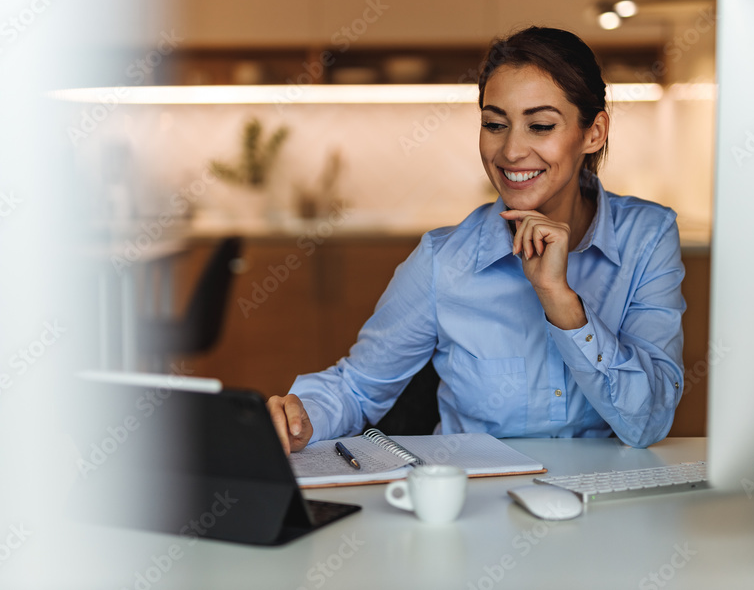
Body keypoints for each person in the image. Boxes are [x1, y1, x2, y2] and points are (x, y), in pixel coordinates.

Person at [267, 26, 686, 453]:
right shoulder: (442, 260)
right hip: (475, 503)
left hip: (606, 504)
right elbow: (357, 388)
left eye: (540, 125)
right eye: (494, 124)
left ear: (594, 132)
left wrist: (559, 299)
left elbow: (647, 423)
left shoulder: (647, 238)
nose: (510, 151)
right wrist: (301, 414)